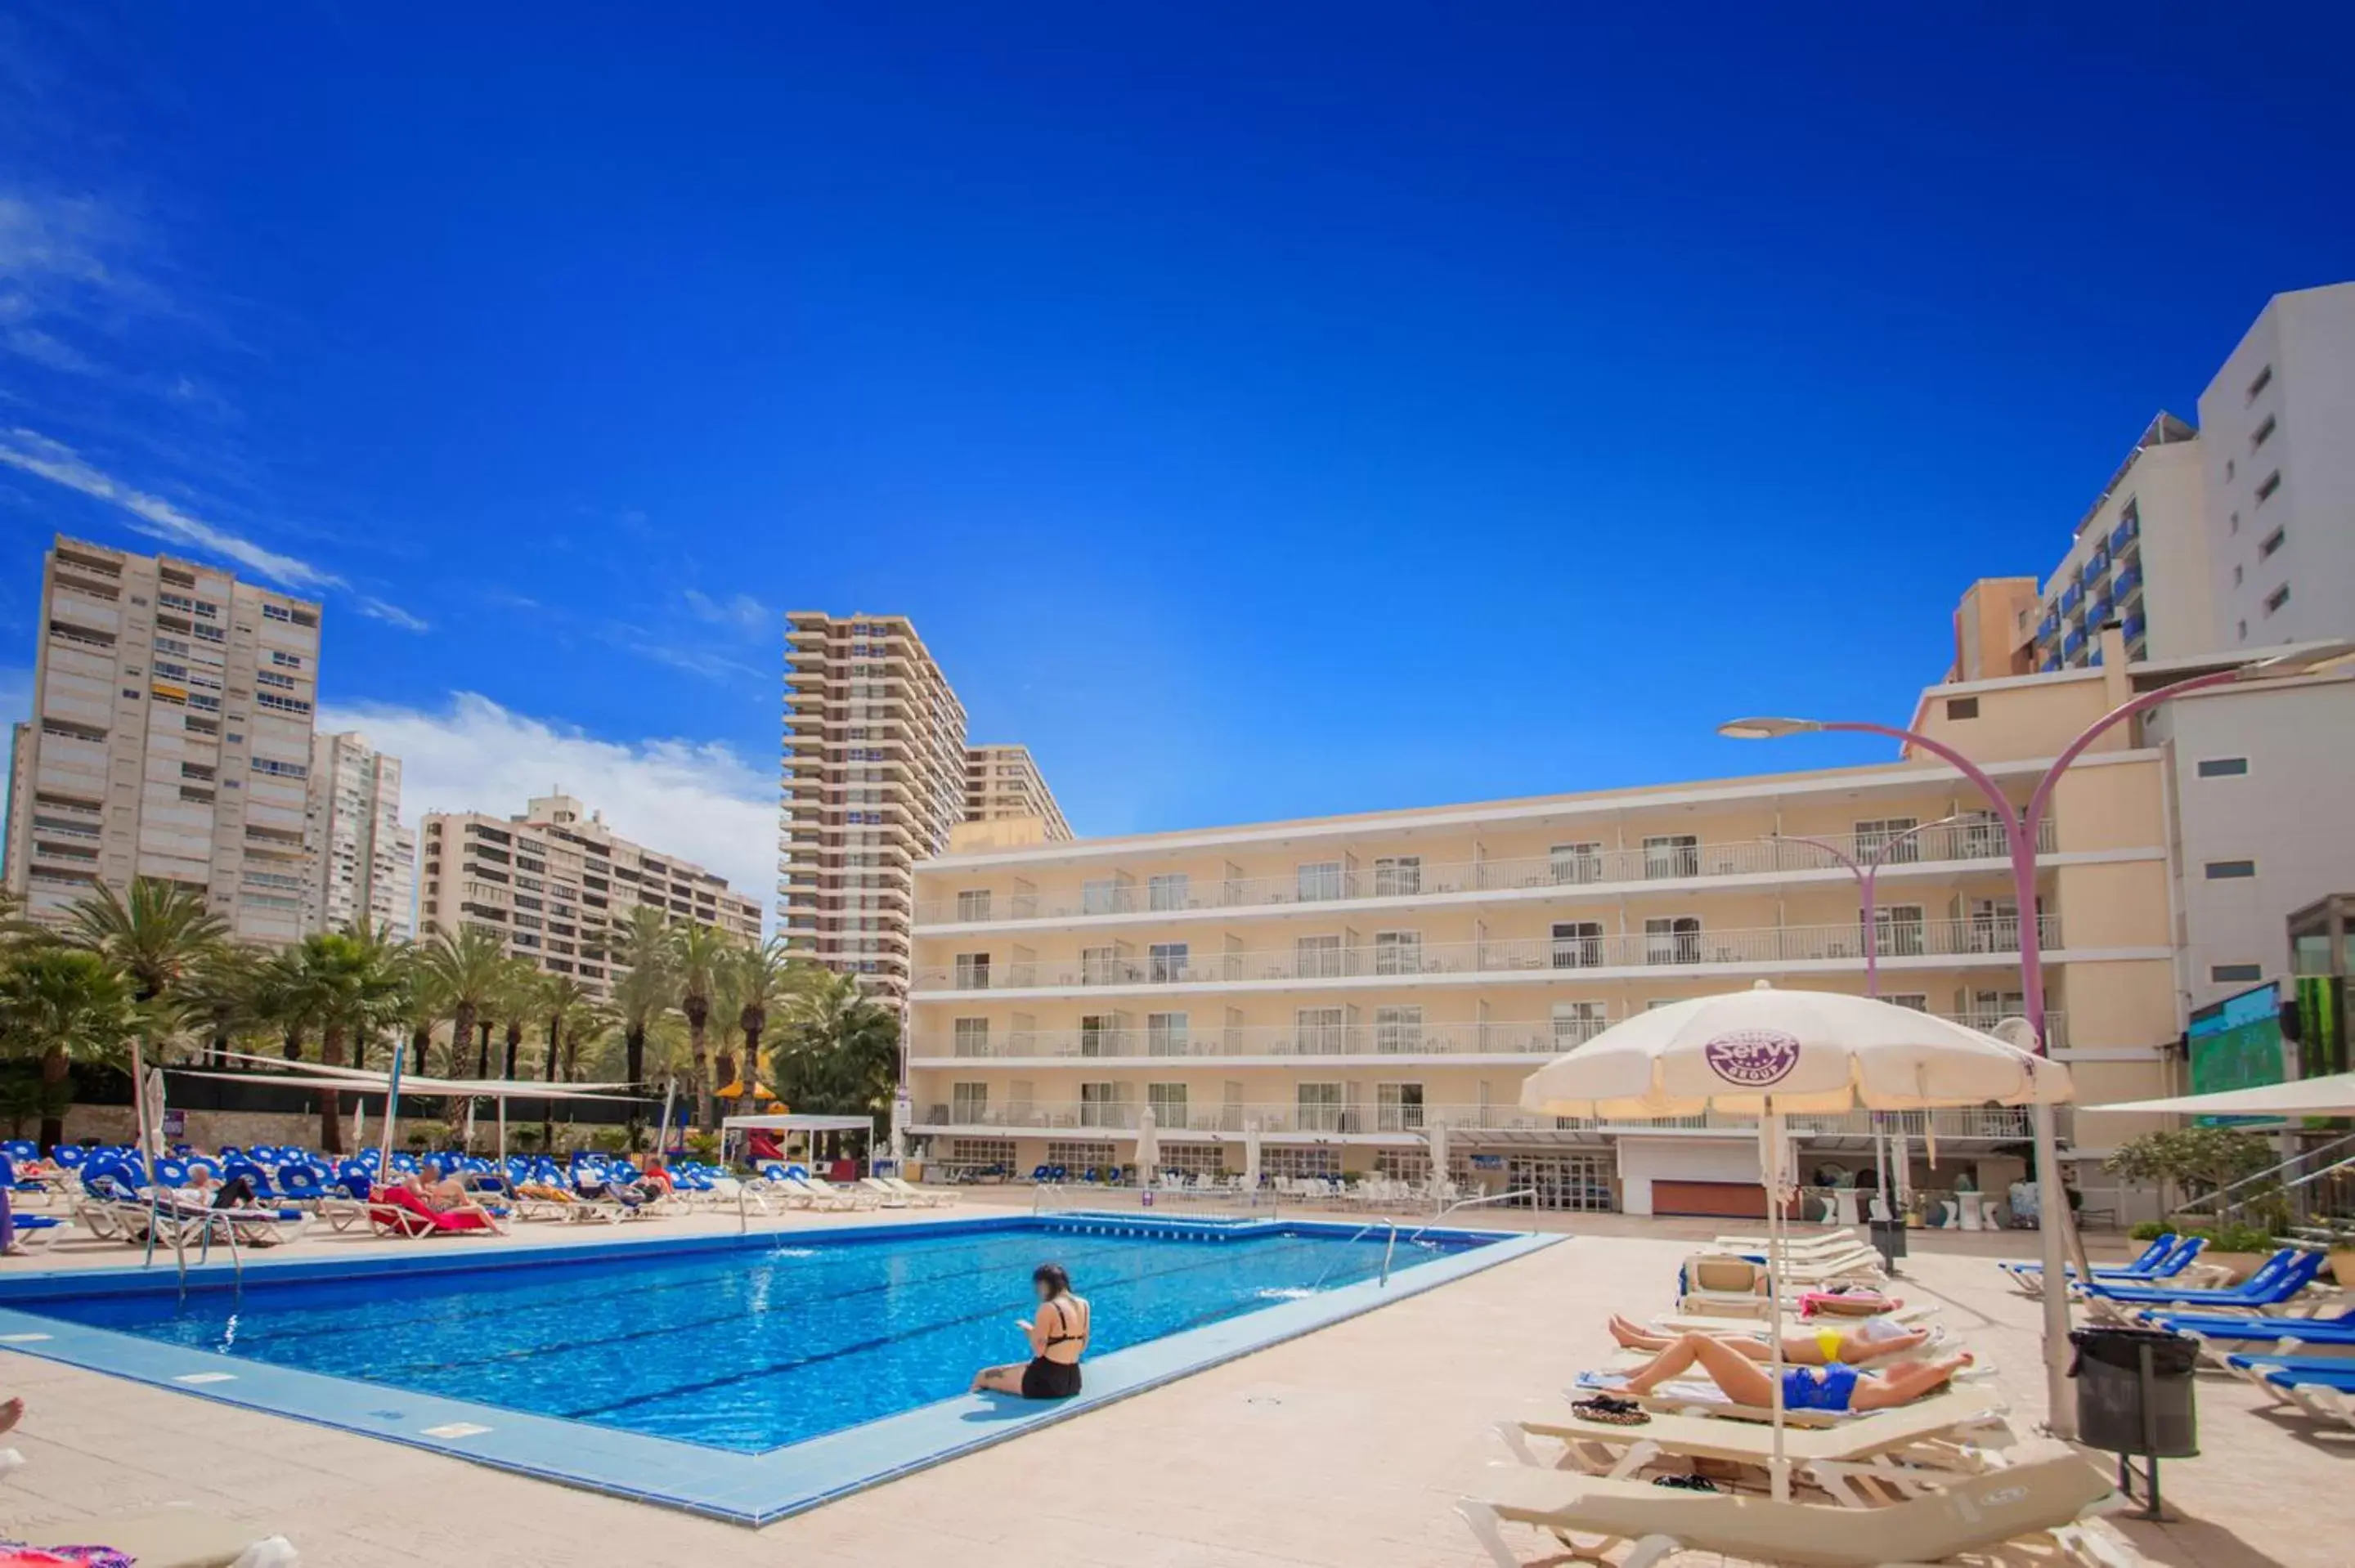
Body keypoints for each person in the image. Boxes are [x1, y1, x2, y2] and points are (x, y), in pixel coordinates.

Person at [1598, 1332, 1972, 1414]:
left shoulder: (1881, 1394)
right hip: (1772, 1384)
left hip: (1770, 1396)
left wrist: (1956, 1363)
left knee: (1698, 1342)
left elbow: (1932, 1373)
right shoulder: (1872, 1385)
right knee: (1703, 1342)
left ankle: (1638, 1385)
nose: (1909, 1363)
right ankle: (1641, 1374)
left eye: (1916, 1369)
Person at [1607, 1314, 1932, 1365]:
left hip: (1773, 1353)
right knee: (1701, 1337)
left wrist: (1916, 1338)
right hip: (1768, 1340)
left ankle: (1637, 1342)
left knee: (1696, 1342)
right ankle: (1642, 1335)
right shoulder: (1851, 1334)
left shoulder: (1858, 1348)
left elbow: (1892, 1344)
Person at [971, 1263, 1090, 1400]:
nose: (1037, 1292)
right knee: (1014, 1368)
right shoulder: (1084, 1304)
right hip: (1073, 1381)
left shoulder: (1048, 1308)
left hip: (1044, 1383)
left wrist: (1029, 1330)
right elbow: (1082, 1347)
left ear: (1044, 1284)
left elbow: (1039, 1351)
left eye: (1038, 1287)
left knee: (983, 1375)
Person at [415, 1160, 504, 1227]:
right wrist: (473, 1203)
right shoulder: (457, 1186)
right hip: (443, 1211)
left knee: (476, 1207)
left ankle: (495, 1229)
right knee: (479, 1209)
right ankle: (496, 1230)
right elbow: (466, 1203)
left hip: (436, 1209)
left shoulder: (436, 1186)